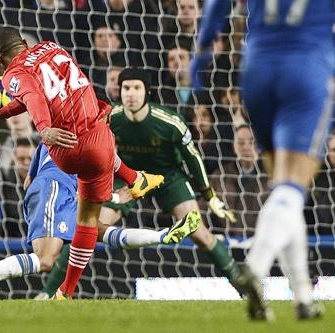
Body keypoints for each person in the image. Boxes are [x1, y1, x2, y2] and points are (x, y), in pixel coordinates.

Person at [0, 27, 171, 299]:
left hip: (65, 152)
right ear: (25, 43)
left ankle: (50, 290)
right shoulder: (52, 47)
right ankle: (135, 182)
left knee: (52, 252)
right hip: (98, 138)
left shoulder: (13, 75)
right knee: (90, 222)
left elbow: (34, 98)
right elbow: (41, 93)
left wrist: (43, 129)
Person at [41, 68, 252, 298]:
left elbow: (193, 159)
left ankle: (243, 286)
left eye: (136, 88)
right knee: (88, 225)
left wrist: (209, 195)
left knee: (200, 233)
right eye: (126, 88)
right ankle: (49, 292)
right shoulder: (111, 118)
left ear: (147, 91)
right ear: (119, 92)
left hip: (167, 177)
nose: (131, 94)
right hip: (126, 176)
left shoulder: (171, 122)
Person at [191, 0, 333, 320]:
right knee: (294, 185)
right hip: (307, 67)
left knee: (283, 188)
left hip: (256, 70)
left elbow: (217, 5)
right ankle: (255, 267)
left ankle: (303, 298)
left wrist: (201, 52)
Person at [0, 142, 198, 300]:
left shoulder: (53, 133)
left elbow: (29, 181)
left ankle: (163, 235)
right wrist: (118, 198)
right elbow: (92, 186)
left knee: (98, 231)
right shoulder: (94, 140)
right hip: (56, 189)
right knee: (46, 260)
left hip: (54, 192)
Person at [209, 124, 268, 236]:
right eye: (240, 143)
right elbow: (207, 206)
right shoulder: (219, 175)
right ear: (234, 146)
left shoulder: (271, 176)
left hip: (261, 240)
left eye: (252, 142)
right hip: (228, 240)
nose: (246, 147)